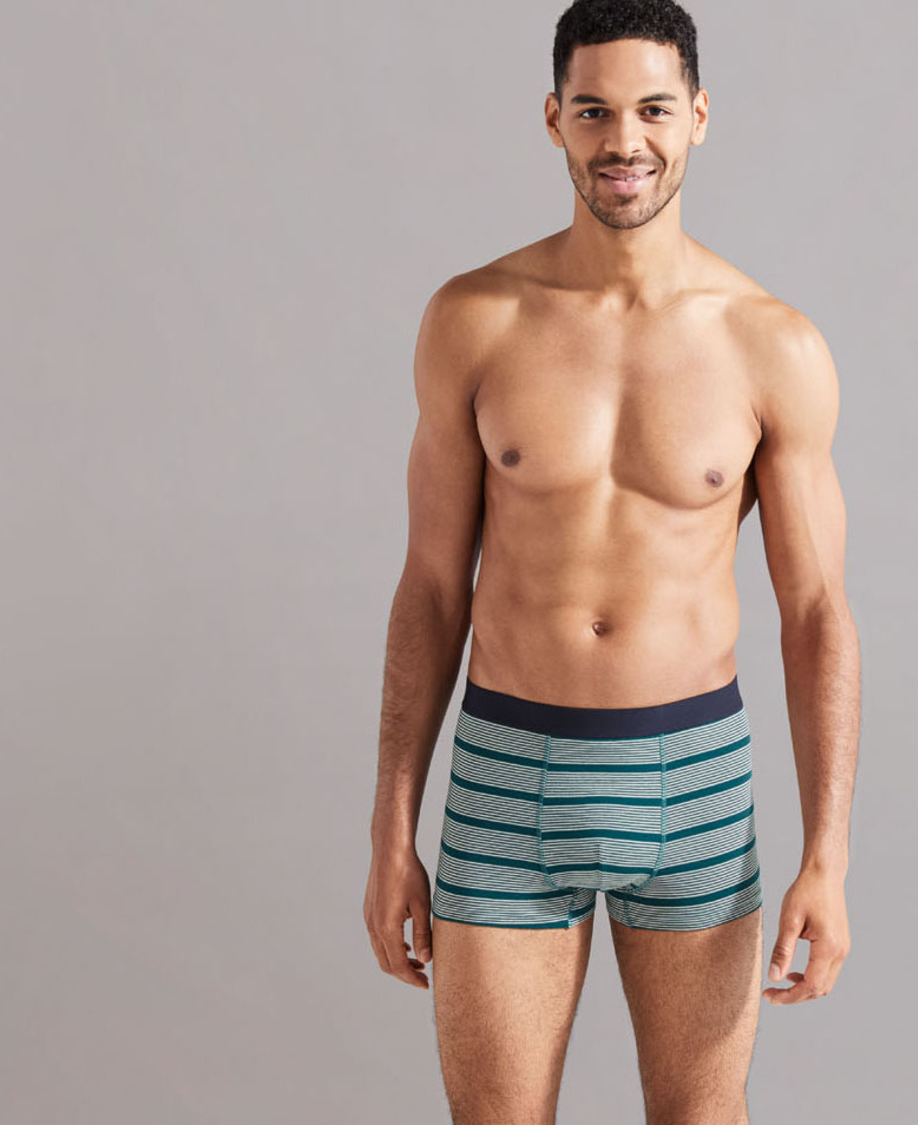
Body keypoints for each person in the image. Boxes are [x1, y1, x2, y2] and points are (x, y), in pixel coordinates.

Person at [365, 1, 860, 1120]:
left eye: (651, 110)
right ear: (553, 118)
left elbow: (818, 613)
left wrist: (828, 853)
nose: (622, 140)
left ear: (699, 117)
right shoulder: (476, 320)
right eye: (592, 111)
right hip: (504, 777)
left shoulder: (771, 344)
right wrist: (390, 828)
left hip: (693, 781)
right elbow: (432, 588)